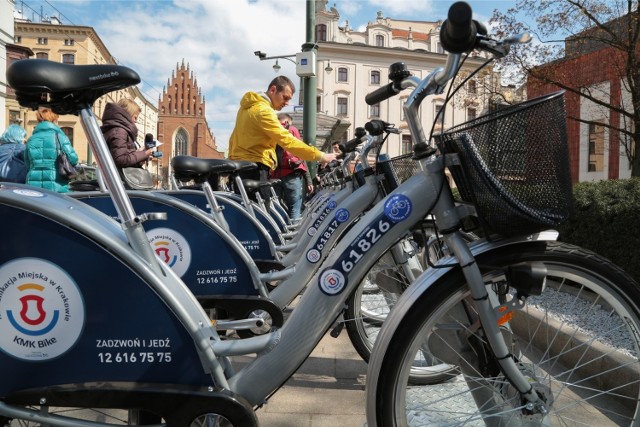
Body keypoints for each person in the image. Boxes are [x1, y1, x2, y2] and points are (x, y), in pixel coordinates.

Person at [228, 76, 336, 206]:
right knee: (260, 215)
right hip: (254, 166)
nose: (287, 103)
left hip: (242, 165)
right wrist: (321, 155)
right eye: (285, 97)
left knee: (246, 213)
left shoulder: (248, 106)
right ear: (273, 90)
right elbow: (287, 141)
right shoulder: (263, 111)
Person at [24, 107, 79, 193]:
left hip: (32, 184)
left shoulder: (31, 139)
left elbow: (27, 163)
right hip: (57, 184)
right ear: (54, 121)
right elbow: (74, 159)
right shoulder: (61, 138)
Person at [271, 113, 314, 223]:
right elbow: (301, 155)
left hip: (274, 177)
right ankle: (293, 236)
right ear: (288, 121)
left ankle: (277, 233)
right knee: (294, 208)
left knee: (275, 208)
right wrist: (309, 181)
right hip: (292, 176)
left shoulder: (272, 132)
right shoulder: (292, 130)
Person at [101, 98, 155, 172]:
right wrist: (145, 153)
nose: (136, 121)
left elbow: (124, 158)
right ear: (127, 115)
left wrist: (141, 155)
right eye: (135, 117)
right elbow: (120, 159)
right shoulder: (119, 131)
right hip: (119, 179)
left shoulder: (118, 129)